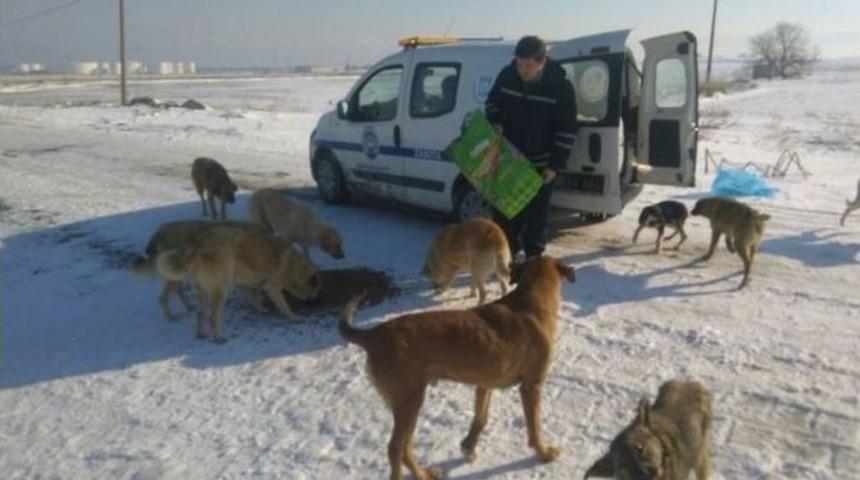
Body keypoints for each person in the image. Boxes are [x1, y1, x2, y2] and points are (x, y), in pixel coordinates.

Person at [485, 35, 578, 259]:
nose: (522, 71)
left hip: (540, 166)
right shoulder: (507, 76)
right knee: (505, 216)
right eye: (519, 64)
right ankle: (506, 262)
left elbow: (567, 130)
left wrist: (554, 165)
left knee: (536, 220)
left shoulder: (561, 88)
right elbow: (491, 103)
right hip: (508, 160)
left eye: (528, 65)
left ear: (542, 61)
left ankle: (533, 263)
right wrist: (495, 121)